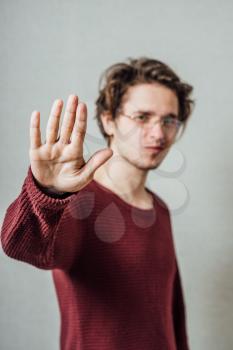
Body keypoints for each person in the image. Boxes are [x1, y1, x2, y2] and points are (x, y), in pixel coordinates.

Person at [0, 57, 194, 350]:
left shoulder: (160, 210)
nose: (158, 134)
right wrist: (48, 192)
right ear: (108, 120)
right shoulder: (77, 203)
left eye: (169, 120)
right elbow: (21, 245)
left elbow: (172, 315)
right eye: (142, 117)